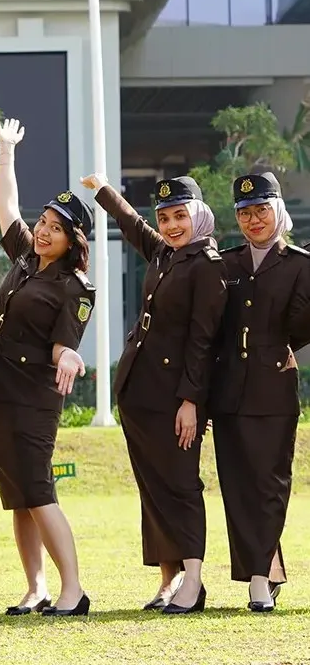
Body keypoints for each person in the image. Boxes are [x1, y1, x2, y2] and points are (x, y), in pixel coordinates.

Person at [82, 172, 226, 614]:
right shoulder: (165, 253)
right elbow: (131, 223)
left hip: (175, 398)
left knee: (181, 485)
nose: (171, 225)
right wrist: (104, 190)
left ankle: (194, 581)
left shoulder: (207, 265)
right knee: (153, 489)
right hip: (139, 391)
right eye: (164, 217)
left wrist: (191, 402)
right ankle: (168, 579)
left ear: (198, 215)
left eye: (180, 215)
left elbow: (204, 342)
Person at [0, 118, 94, 618]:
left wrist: (69, 355)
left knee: (38, 490)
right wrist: (5, 152)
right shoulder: (24, 257)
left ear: (71, 239)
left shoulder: (75, 285)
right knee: (17, 496)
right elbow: (5, 206)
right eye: (43, 222)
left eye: (56, 229)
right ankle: (35, 587)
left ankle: (74, 590)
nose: (43, 231)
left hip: (32, 399)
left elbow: (68, 343)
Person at [211, 173, 310, 612]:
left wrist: (294, 347)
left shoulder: (301, 263)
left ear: (278, 211)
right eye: (245, 213)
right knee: (237, 486)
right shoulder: (226, 264)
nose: (253, 220)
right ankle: (265, 567)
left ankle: (257, 578)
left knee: (270, 485)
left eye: (261, 211)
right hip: (229, 389)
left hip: (273, 388)